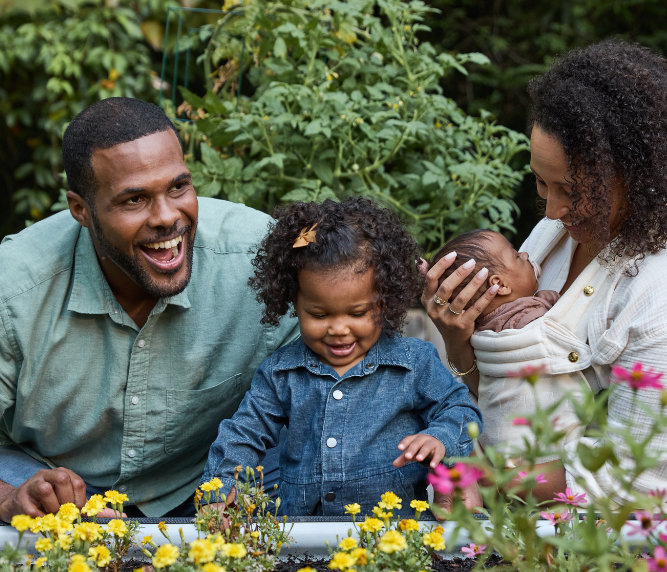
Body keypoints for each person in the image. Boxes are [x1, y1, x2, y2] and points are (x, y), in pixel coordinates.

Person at [0, 97, 298, 521]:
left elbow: (354, 352)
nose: (167, 217)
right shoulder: (10, 288)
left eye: (178, 187)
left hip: (218, 481)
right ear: (80, 209)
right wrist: (3, 500)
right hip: (60, 490)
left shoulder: (258, 257)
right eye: (134, 200)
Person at [422, 40, 667, 510]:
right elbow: (513, 397)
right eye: (540, 181)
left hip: (644, 533)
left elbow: (638, 475)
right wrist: (461, 341)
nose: (551, 209)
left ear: (636, 173)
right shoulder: (555, 234)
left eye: (570, 189)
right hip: (539, 514)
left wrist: (491, 480)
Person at [202, 197, 483, 514]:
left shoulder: (414, 362)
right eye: (319, 315)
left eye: (357, 313)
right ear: (295, 304)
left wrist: (440, 437)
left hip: (393, 533)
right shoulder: (281, 373)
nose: (338, 329)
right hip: (303, 539)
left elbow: (459, 408)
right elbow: (242, 435)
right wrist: (220, 492)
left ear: (384, 300)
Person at [429, 230, 584, 458]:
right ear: (499, 285)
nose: (525, 253)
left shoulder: (485, 327)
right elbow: (558, 336)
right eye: (516, 255)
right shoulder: (527, 320)